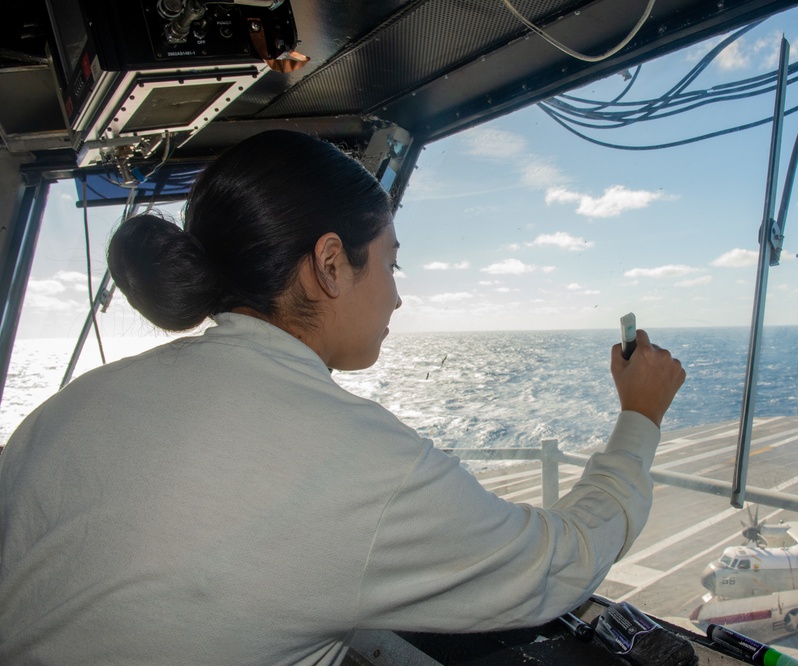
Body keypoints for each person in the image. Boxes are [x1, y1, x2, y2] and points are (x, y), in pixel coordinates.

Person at [0, 130, 685, 664]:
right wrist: (640, 416)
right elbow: (560, 563)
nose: (395, 292)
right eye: (389, 262)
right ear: (331, 265)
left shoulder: (70, 408)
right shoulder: (362, 463)